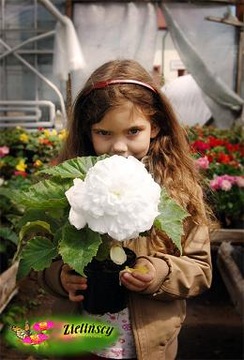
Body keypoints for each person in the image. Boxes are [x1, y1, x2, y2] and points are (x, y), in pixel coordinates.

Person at [39, 59, 213, 360]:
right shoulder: (72, 186)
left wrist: (159, 273)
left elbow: (200, 269)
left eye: (133, 131)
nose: (119, 146)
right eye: (104, 133)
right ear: (87, 131)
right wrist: (60, 276)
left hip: (150, 346)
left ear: (154, 125)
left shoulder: (178, 189)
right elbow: (41, 259)